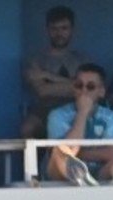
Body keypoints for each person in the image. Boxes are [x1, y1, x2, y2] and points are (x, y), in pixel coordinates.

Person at [44, 64, 113, 187]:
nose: (83, 91)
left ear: (101, 92)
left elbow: (111, 152)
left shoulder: (112, 117)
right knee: (60, 151)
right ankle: (79, 177)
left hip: (101, 173)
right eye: (79, 85)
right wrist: (82, 113)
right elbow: (68, 149)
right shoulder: (57, 115)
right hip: (62, 175)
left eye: (90, 87)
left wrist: (79, 154)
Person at [22, 5, 90, 137]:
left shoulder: (83, 59)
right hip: (44, 111)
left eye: (64, 28)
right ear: (47, 30)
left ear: (72, 29)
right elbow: (43, 91)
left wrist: (48, 76)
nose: (59, 33)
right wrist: (75, 84)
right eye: (54, 28)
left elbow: (88, 90)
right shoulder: (35, 59)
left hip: (77, 108)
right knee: (27, 128)